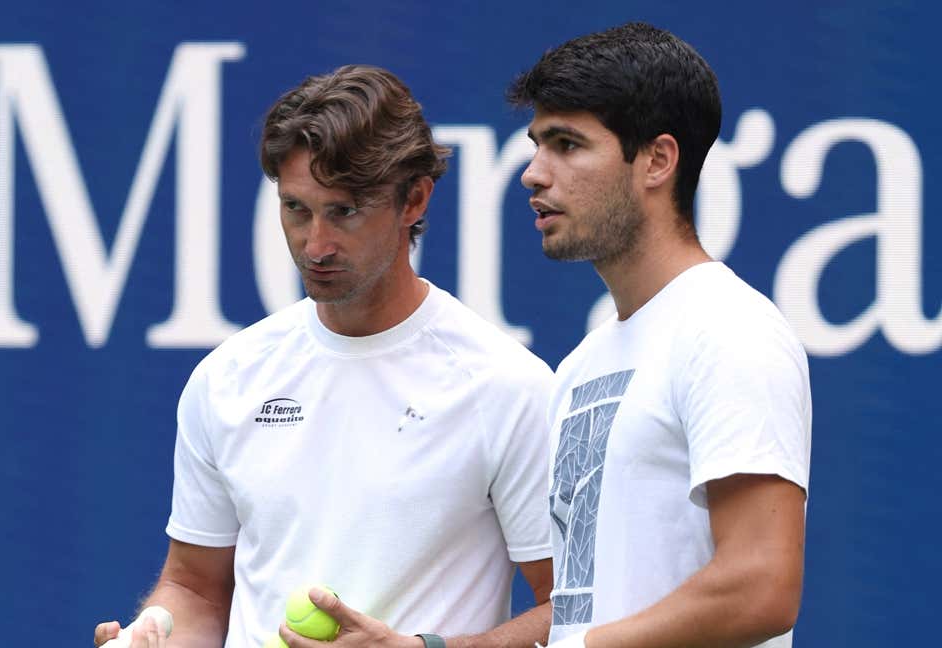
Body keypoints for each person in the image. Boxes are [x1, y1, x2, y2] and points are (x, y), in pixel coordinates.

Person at [95, 65, 557, 648]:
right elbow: (194, 589)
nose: (315, 245)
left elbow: (570, 610)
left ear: (414, 198)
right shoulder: (227, 378)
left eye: (344, 211)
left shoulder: (507, 385)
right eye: (296, 209)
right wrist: (153, 635)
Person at [507, 22, 812, 648]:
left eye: (567, 144)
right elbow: (584, 616)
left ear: (657, 160)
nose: (534, 173)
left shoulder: (729, 330)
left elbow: (762, 584)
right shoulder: (580, 366)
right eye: (537, 144)